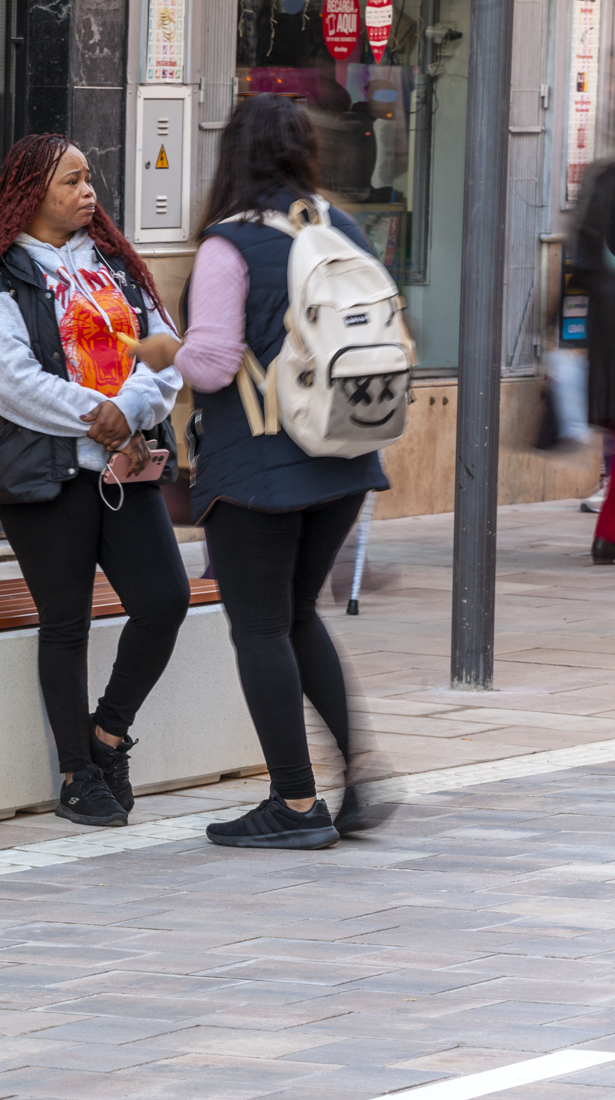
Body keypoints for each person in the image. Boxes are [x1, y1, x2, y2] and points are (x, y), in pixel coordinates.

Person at [130, 94, 389, 849]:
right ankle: (360, 773)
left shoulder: (230, 244)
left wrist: (163, 352)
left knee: (262, 628)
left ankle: (297, 804)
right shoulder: (340, 227)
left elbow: (212, 364)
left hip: (258, 469)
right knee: (299, 615)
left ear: (232, 155)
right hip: (343, 457)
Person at [0, 134, 190, 828]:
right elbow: (11, 382)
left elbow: (165, 351)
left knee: (164, 600)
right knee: (66, 621)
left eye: (89, 180)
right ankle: (77, 775)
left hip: (124, 465)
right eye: (72, 182)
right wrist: (99, 417)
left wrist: (129, 411)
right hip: (43, 470)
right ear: (32, 194)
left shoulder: (115, 262)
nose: (89, 193)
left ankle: (107, 735)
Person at [571, 158, 615, 563]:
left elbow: (585, 258)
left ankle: (610, 535)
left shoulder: (606, 176)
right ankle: (610, 536)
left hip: (607, 325)